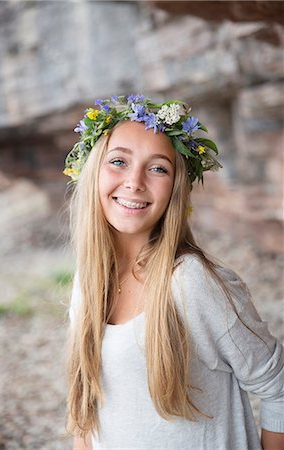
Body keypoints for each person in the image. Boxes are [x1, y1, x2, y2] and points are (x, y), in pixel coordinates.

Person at [64, 95, 284, 450]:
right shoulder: (88, 280)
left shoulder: (190, 283)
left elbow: (279, 389)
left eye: (158, 168)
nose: (134, 182)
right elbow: (89, 414)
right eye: (118, 161)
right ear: (93, 173)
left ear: (175, 190)